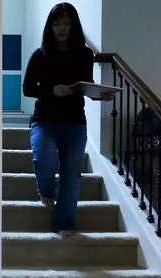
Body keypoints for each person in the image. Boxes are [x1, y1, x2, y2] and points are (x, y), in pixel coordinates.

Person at [22, 2, 112, 236]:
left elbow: (84, 85)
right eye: (57, 23)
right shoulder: (40, 55)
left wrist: (98, 95)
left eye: (66, 23)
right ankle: (47, 190)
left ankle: (64, 223)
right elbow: (27, 88)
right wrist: (52, 90)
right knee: (44, 160)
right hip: (44, 120)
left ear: (73, 25)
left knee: (72, 174)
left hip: (75, 122)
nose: (62, 28)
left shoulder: (84, 54)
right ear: (50, 26)